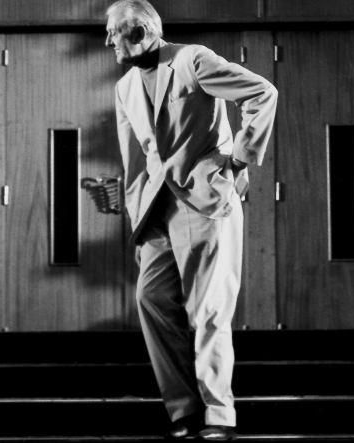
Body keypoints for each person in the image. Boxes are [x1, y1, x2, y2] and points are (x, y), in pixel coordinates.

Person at [105, 0, 277, 440]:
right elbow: (134, 161)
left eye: (113, 32)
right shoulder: (125, 87)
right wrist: (137, 220)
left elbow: (262, 93)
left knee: (208, 310)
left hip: (205, 202)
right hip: (156, 211)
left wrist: (239, 160)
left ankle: (219, 415)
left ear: (140, 31)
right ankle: (183, 410)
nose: (108, 41)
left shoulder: (192, 59)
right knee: (150, 299)